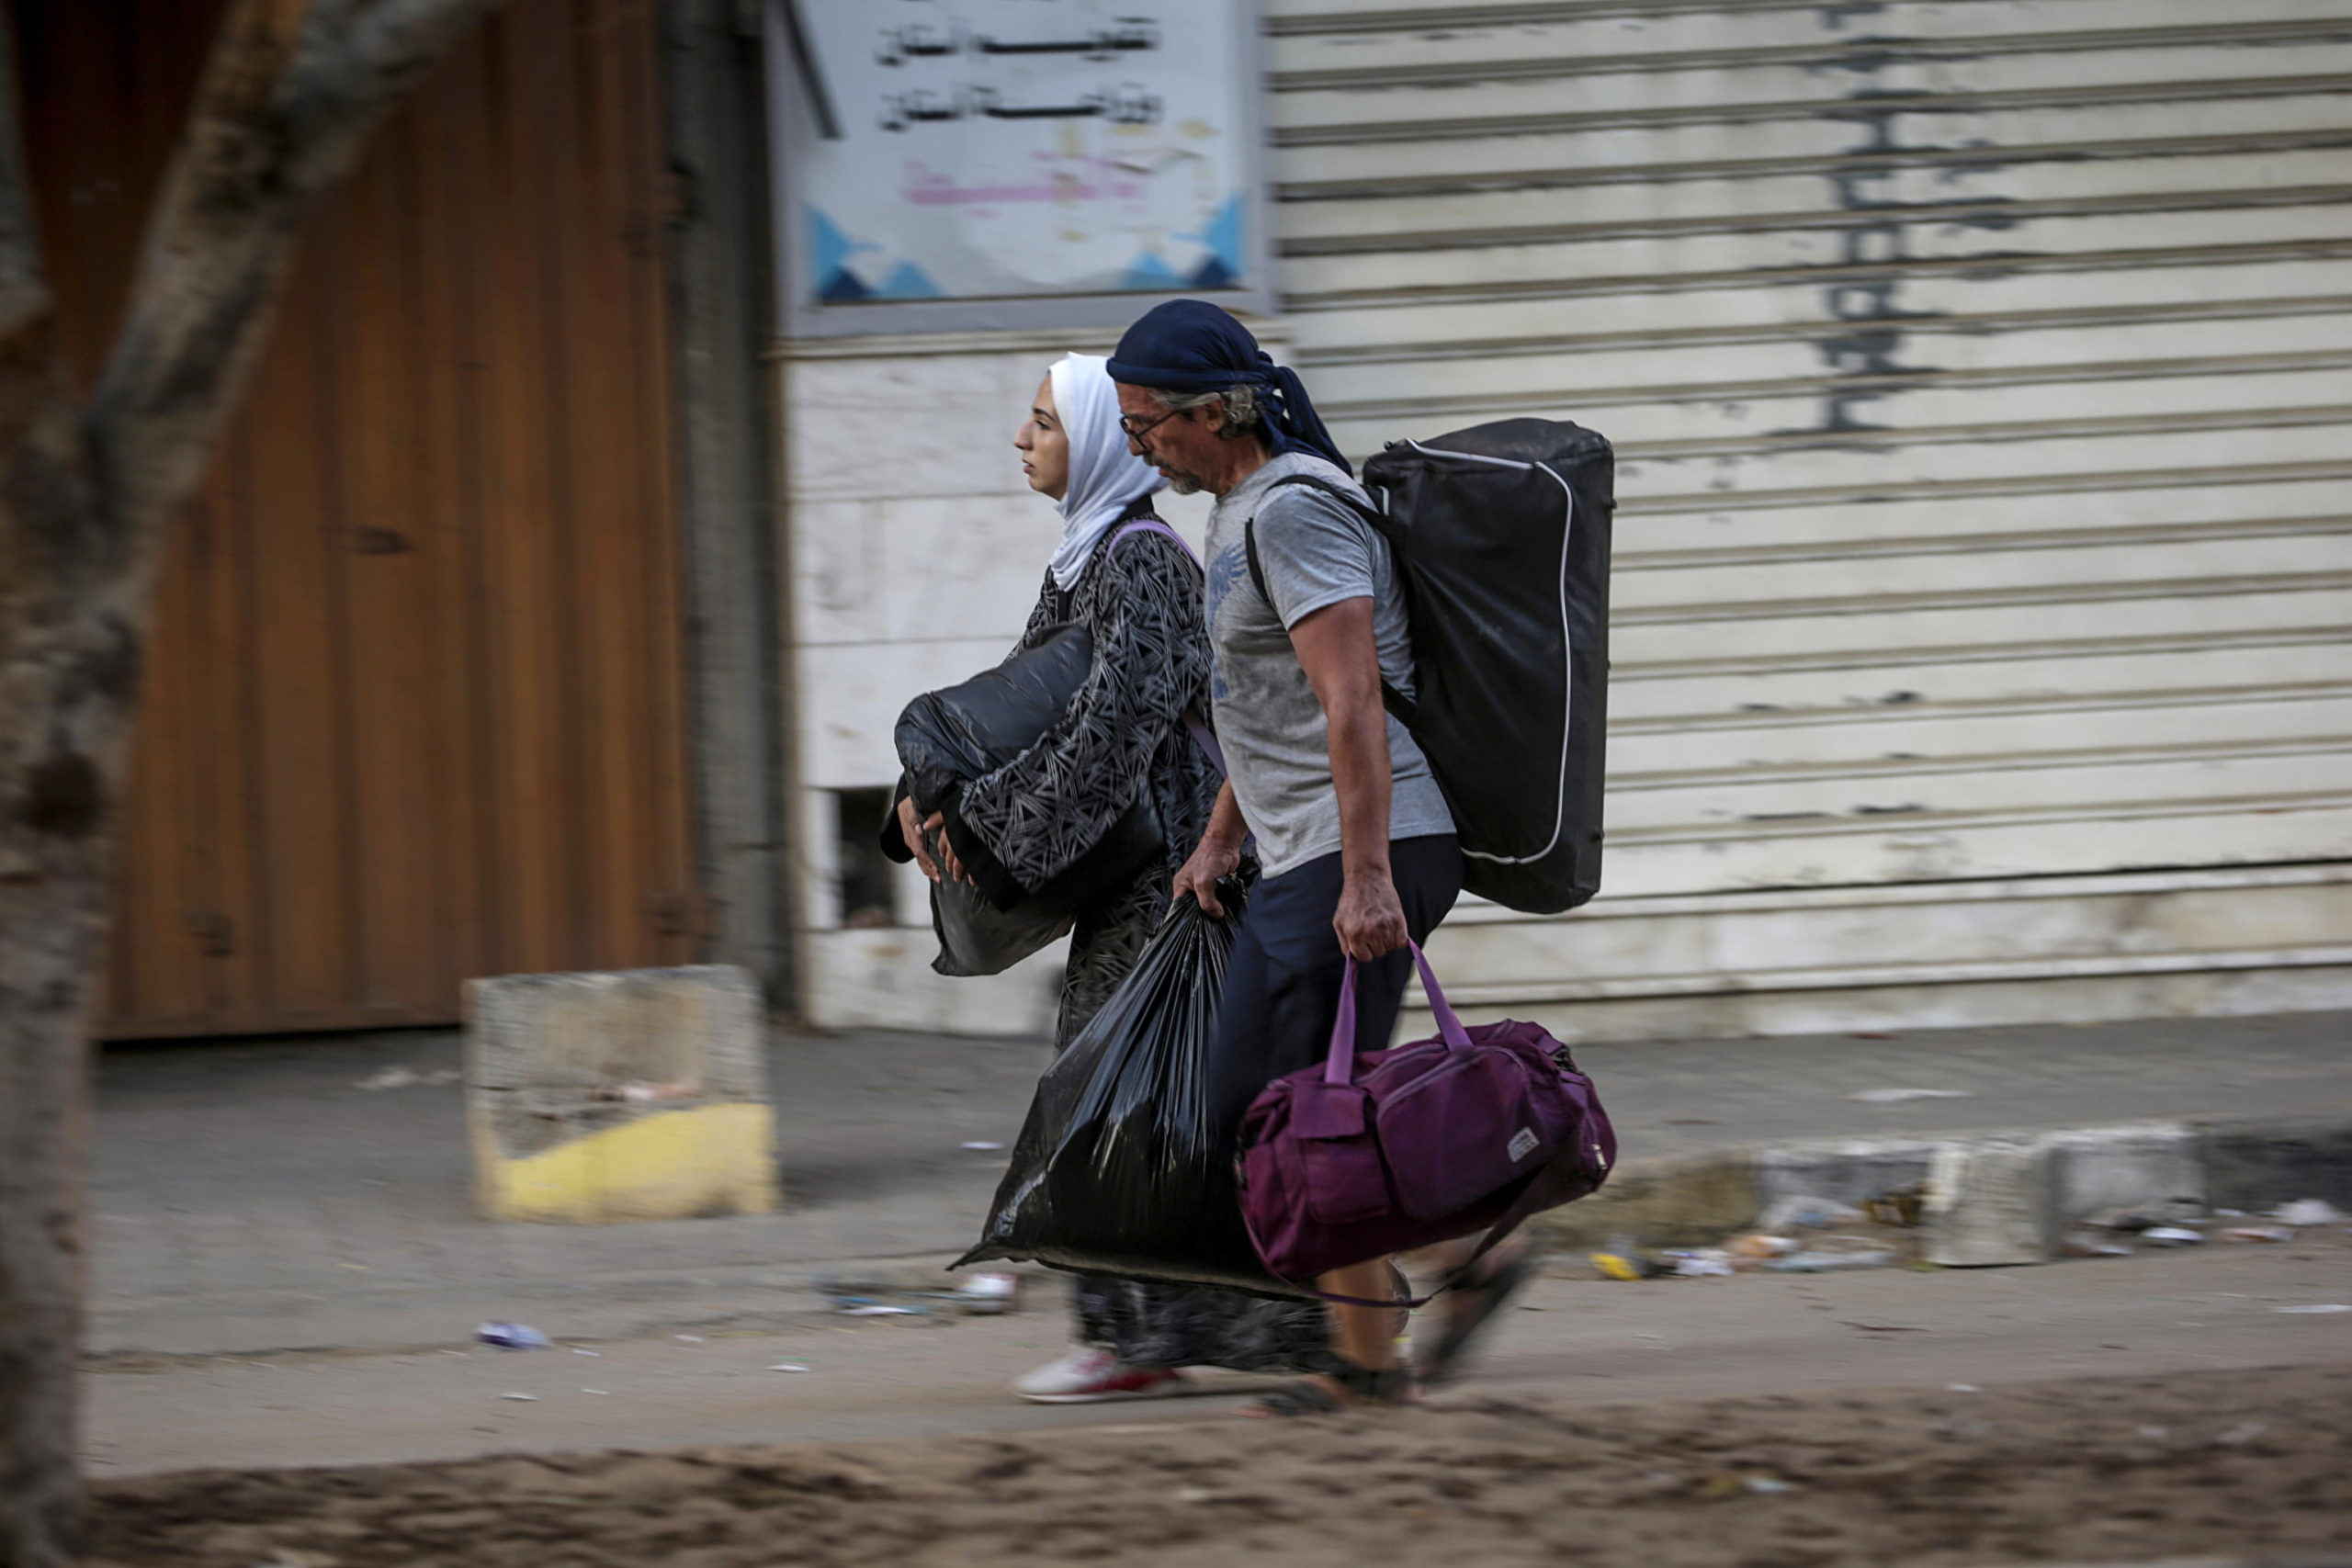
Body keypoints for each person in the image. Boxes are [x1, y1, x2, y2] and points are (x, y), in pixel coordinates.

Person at [883, 353, 1339, 1404]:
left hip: (1184, 865)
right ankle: (1167, 1329)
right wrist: (925, 802)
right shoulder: (1088, 560)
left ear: (1088, 441)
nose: (1021, 438)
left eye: (1041, 421)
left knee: (1139, 1094)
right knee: (1144, 1096)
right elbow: (1020, 705)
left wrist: (992, 833)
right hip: (1150, 871)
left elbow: (1113, 728)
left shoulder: (1138, 561)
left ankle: (1165, 1334)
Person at [1106, 301, 1532, 1416]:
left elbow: (1349, 704)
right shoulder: (1240, 509)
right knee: (1290, 1113)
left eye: (1148, 424)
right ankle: (1432, 1294)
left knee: (1283, 1116)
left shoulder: (1292, 513)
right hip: (1310, 852)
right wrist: (1216, 840)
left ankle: (1393, 1337)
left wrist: (1367, 874)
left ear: (1212, 411)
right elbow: (1268, 705)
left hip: (1367, 850)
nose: (1141, 446)